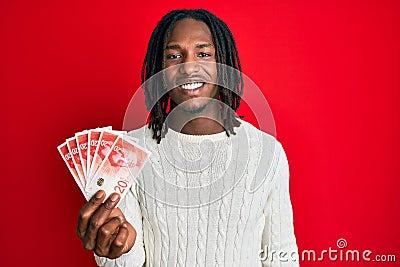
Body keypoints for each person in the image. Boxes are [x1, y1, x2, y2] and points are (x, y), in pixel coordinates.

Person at [76, 9, 299, 266]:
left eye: (203, 54)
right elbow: (128, 259)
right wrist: (115, 252)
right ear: (159, 69)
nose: (189, 66)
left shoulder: (266, 151)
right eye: (173, 56)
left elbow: (281, 255)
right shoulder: (125, 154)